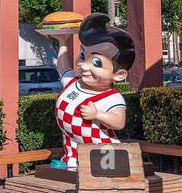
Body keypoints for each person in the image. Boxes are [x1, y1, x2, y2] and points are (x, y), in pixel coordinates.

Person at [51, 13, 135, 171]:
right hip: (72, 145)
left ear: (119, 75)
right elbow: (62, 67)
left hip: (102, 151)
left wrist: (97, 115)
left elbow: (119, 122)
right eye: (83, 56)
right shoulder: (73, 83)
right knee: (72, 149)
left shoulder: (111, 98)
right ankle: (71, 160)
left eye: (96, 62)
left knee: (95, 167)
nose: (83, 66)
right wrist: (63, 42)